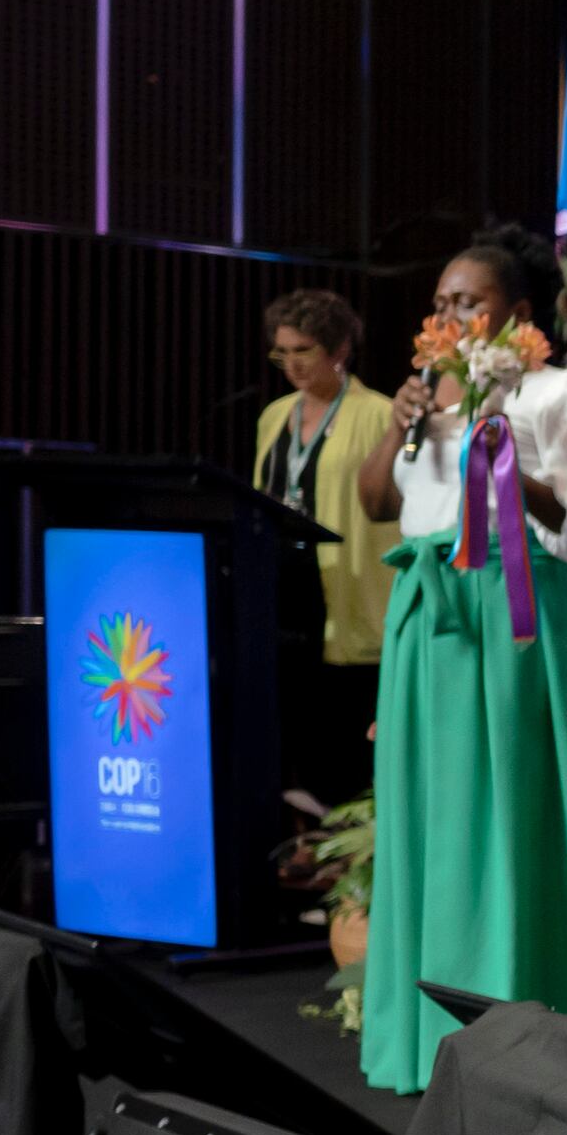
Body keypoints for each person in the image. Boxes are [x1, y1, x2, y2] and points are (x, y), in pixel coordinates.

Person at [355, 231, 567, 1096]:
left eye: (466, 301)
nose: (447, 315)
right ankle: (424, 1043)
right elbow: (376, 502)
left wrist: (507, 457)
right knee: (428, 823)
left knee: (507, 823)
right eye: (440, 301)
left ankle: (523, 1038)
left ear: (516, 312)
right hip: (428, 619)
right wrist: (402, 424)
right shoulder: (424, 399)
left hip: (514, 616)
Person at [253, 289, 399, 779]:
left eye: (303, 350)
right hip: (284, 590)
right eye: (281, 353)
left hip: (347, 588)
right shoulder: (274, 416)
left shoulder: (379, 415)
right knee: (293, 735)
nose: (291, 364)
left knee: (343, 743)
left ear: (339, 350)